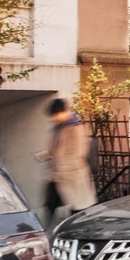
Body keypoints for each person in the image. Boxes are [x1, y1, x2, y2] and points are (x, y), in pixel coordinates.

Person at [37, 97, 97, 229]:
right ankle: (46, 231)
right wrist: (45, 155)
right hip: (59, 175)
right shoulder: (59, 127)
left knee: (77, 209)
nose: (53, 118)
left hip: (73, 175)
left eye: (55, 115)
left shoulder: (75, 126)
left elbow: (79, 151)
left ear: (62, 112)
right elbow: (57, 150)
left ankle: (76, 232)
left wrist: (63, 167)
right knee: (50, 204)